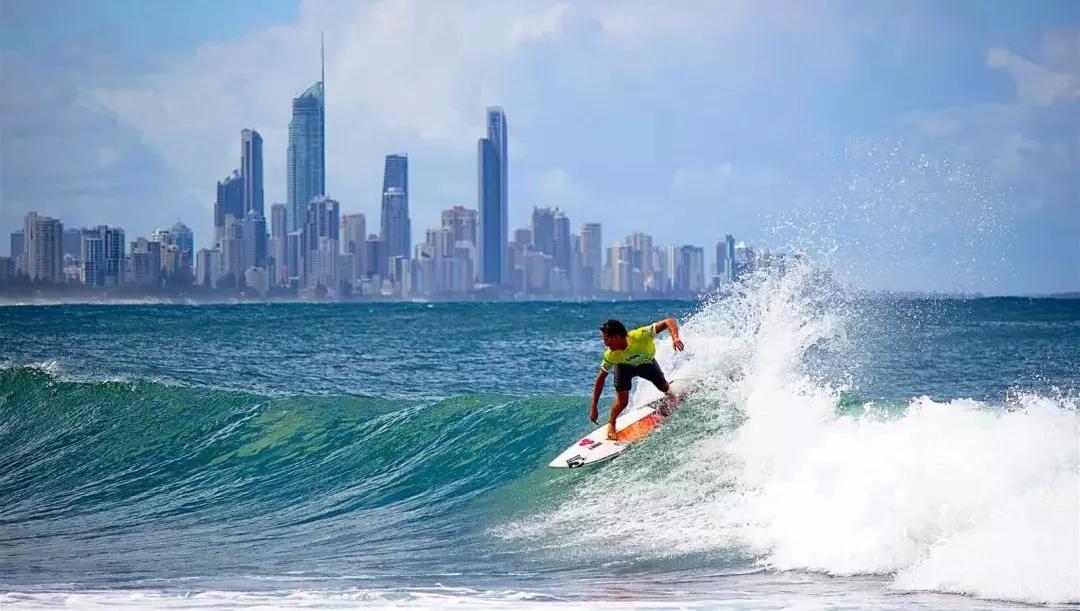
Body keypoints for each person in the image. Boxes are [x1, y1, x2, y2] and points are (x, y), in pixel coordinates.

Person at [589, 317, 685, 440]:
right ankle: (612, 423)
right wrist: (594, 407)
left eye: (606, 339)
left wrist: (675, 338)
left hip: (646, 364)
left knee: (664, 387)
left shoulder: (640, 335)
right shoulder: (611, 355)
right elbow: (600, 379)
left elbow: (669, 321)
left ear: (617, 337)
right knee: (622, 402)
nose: (604, 343)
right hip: (624, 368)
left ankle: (671, 395)